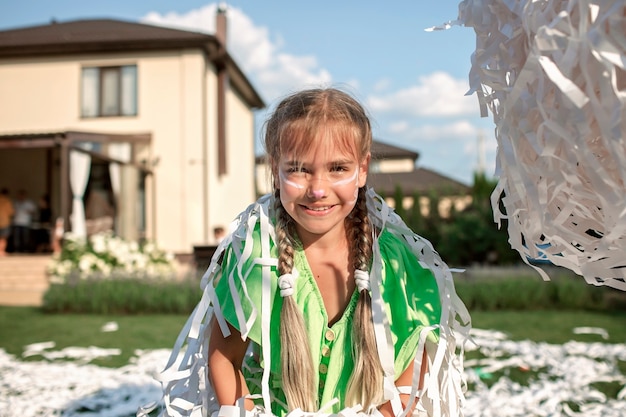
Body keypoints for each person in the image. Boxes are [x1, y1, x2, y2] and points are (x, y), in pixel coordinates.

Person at [157, 88, 470, 417]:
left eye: (337, 168)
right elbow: (225, 357)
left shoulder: (394, 261)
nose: (318, 190)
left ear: (362, 169)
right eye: (299, 169)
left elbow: (418, 359)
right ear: (275, 169)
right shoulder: (257, 257)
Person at [0, 188, 14, 256]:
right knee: (3, 237)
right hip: (5, 221)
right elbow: (11, 212)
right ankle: (1, 251)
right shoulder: (7, 201)